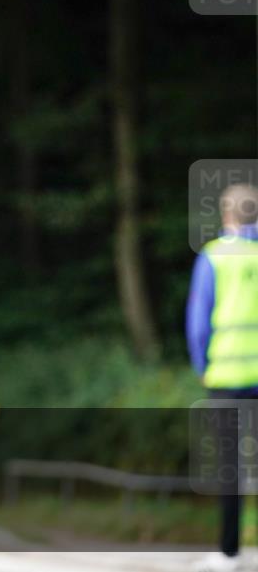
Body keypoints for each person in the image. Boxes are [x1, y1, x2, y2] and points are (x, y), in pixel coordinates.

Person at [187, 183, 258, 572]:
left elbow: (199, 324)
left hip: (227, 376)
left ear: (227, 215)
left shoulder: (214, 257)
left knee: (231, 468)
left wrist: (204, 368)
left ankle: (230, 553)